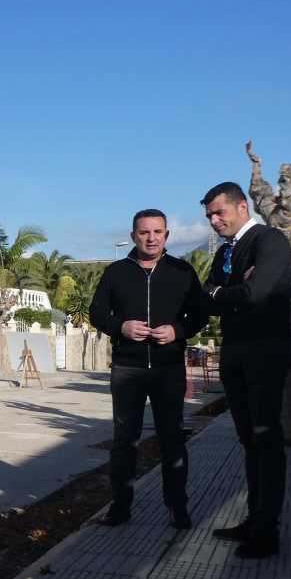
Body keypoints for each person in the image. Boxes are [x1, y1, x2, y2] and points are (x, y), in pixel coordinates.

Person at [90, 209, 205, 528]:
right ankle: (120, 506)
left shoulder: (182, 271)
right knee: (124, 440)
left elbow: (200, 315)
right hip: (128, 368)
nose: (151, 238)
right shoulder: (116, 272)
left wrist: (177, 331)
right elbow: (97, 312)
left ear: (167, 235)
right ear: (133, 236)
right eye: (144, 232)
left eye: (157, 232)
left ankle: (178, 506)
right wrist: (120, 327)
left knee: (172, 439)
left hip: (168, 370)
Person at [201, 181, 291, 559]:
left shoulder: (269, 241)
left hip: (265, 351)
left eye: (219, 212)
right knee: (249, 441)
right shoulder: (227, 251)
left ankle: (266, 531)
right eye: (208, 215)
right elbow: (205, 296)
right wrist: (230, 291)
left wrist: (225, 293)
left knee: (265, 439)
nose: (213, 220)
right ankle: (254, 519)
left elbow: (255, 294)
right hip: (235, 353)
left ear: (242, 206)